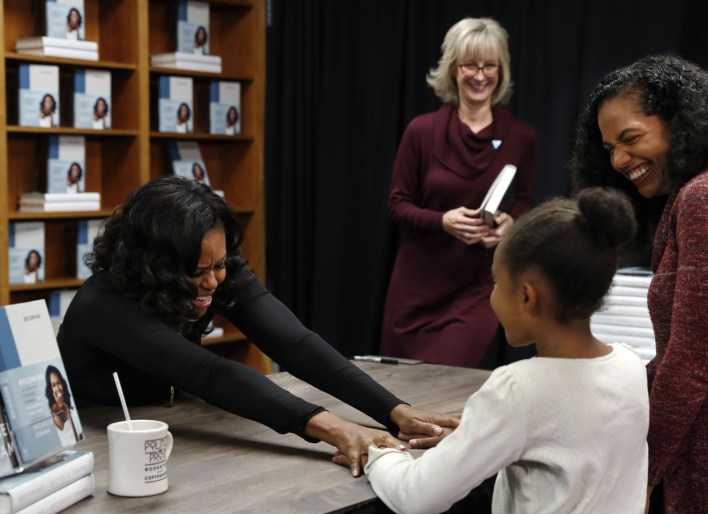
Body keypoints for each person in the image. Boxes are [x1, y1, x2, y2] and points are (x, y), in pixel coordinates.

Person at [57, 176, 459, 477]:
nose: (213, 281)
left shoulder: (213, 267)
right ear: (154, 267)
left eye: (219, 265)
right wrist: (337, 428)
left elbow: (294, 343)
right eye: (199, 271)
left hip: (181, 426)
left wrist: (395, 411)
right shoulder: (104, 305)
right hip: (107, 444)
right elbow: (212, 374)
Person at [364, 188, 649, 514]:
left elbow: (417, 498)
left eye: (496, 284)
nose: (492, 297)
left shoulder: (517, 388)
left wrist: (378, 454)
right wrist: (483, 436)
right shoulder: (630, 364)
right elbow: (572, 441)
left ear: (528, 296)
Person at [569, 54, 708, 514]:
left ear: (679, 123)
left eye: (631, 139)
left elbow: (692, 363)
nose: (617, 161)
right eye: (609, 147)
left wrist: (640, 476)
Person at [379, 17, 537, 369]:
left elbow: (525, 199)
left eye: (489, 65)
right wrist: (443, 221)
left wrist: (511, 222)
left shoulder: (521, 135)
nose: (480, 75)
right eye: (470, 65)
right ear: (453, 69)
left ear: (501, 70)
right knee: (403, 391)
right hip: (416, 286)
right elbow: (398, 205)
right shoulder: (421, 131)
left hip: (478, 285)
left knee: (445, 380)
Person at [44, 365, 83, 446]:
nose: (57, 388)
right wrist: (65, 408)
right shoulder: (55, 413)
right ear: (50, 390)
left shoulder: (69, 406)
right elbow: (74, 438)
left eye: (58, 383)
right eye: (53, 385)